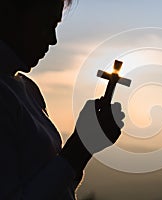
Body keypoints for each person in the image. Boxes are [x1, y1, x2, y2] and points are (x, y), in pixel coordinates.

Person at [0, 0, 124, 199]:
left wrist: (83, 149)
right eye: (46, 24)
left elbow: (54, 187)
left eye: (55, 26)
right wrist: (79, 148)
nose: (53, 39)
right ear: (6, 13)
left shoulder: (28, 89)